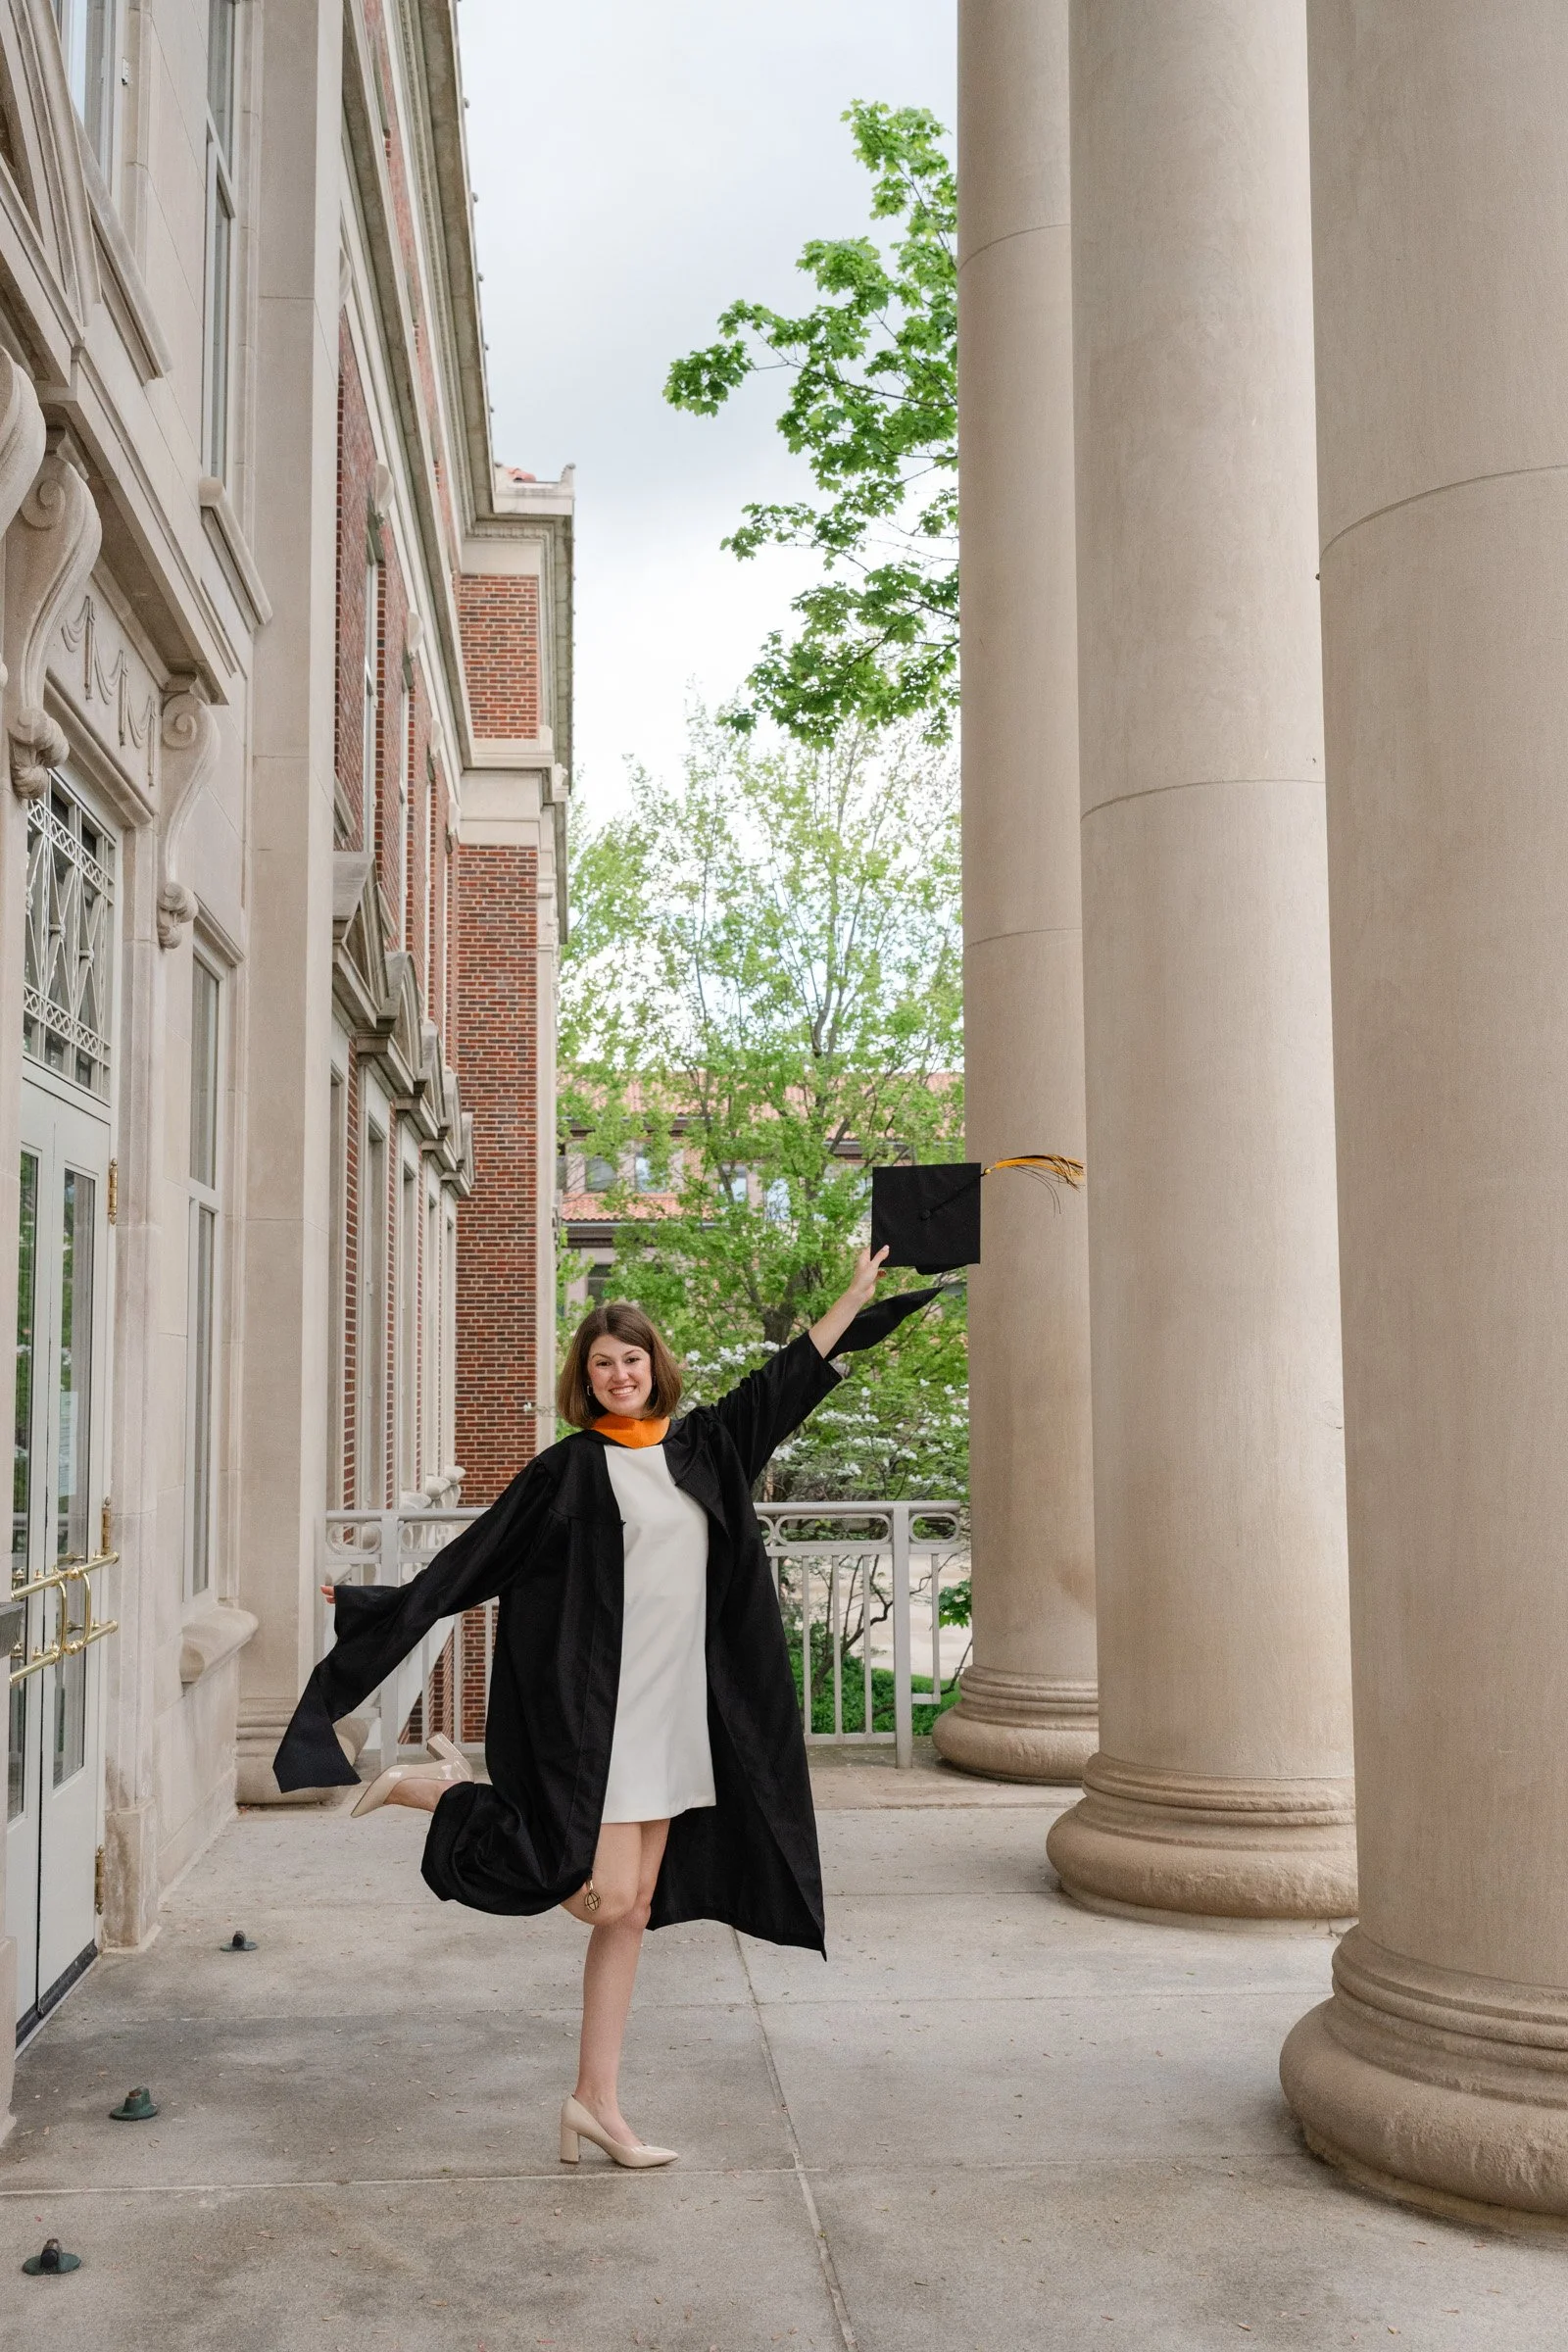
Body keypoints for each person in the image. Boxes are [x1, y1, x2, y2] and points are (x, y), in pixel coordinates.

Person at [273, 1247, 894, 2171]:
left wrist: (853, 1299)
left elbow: (789, 1381)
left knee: (630, 1910)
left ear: (656, 1366)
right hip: (601, 1715)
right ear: (585, 1377)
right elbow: (479, 1555)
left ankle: (595, 2101)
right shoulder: (566, 1472)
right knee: (598, 1895)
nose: (619, 1374)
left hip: (679, 1712)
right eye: (602, 1363)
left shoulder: (707, 1446)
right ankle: (439, 1793)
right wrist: (378, 1604)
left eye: (632, 1360)